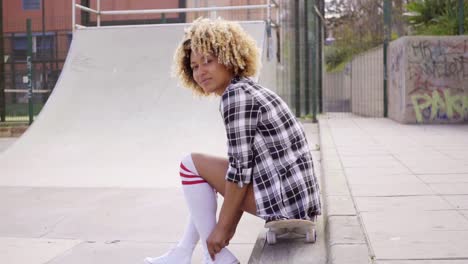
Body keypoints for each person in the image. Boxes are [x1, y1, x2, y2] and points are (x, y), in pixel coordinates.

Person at [144, 17, 321, 264]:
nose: (201, 71)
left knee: (190, 164)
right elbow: (243, 169)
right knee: (205, 174)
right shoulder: (246, 90)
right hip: (296, 200)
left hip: (285, 205)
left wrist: (222, 229)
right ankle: (183, 252)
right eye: (194, 66)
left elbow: (240, 172)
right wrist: (226, 227)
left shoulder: (236, 97)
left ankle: (214, 259)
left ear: (229, 57)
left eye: (208, 61)